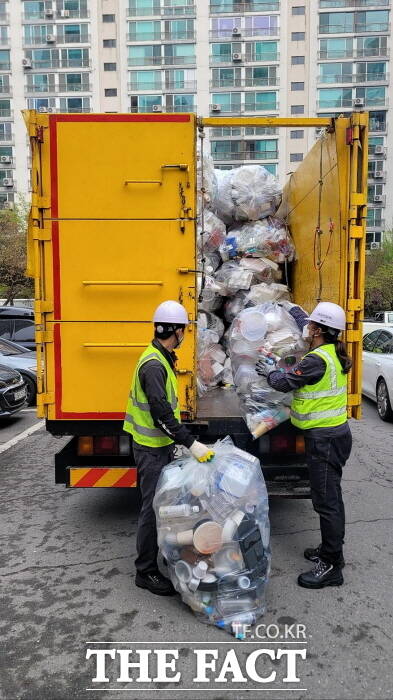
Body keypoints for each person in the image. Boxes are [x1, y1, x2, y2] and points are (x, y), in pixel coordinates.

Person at [256, 301, 352, 590]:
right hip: (332, 437)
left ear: (320, 330)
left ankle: (332, 566)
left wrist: (269, 370)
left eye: (312, 325)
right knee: (330, 497)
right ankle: (330, 552)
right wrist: (294, 310)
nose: (306, 328)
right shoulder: (331, 352)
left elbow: (284, 383)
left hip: (325, 441)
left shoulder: (316, 360)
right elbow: (304, 333)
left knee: (327, 502)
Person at [123, 300, 214, 596]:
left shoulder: (162, 357)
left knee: (163, 506)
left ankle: (161, 555)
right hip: (151, 448)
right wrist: (191, 443)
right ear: (174, 331)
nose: (185, 334)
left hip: (158, 446)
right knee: (151, 508)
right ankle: (145, 571)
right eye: (183, 330)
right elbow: (161, 415)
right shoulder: (153, 365)